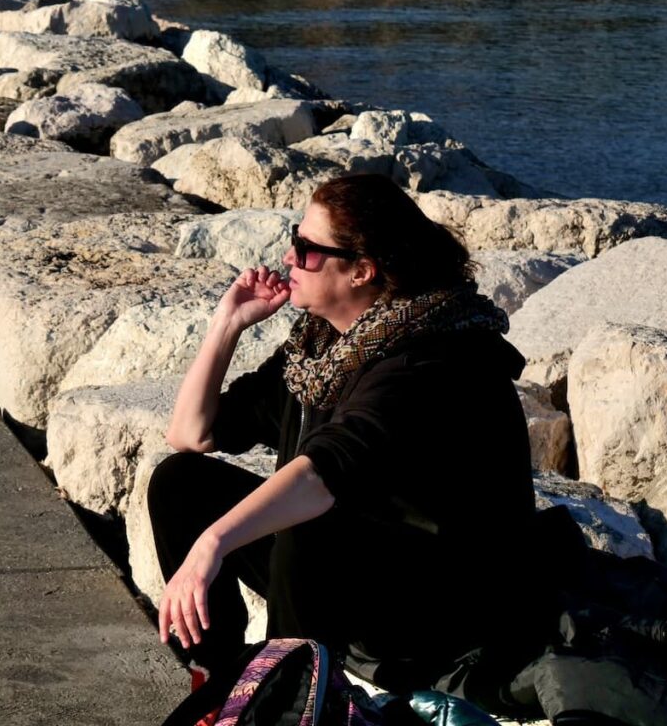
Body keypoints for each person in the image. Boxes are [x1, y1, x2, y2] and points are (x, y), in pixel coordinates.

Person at [149, 173, 537, 688]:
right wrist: (226, 325)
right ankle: (221, 681)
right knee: (181, 482)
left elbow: (323, 476)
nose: (289, 258)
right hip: (353, 571)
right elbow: (191, 435)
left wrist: (214, 544)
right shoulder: (321, 351)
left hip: (444, 602)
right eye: (294, 239)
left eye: (307, 249)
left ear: (361, 271)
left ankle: (286, 702)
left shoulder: (430, 359)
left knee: (309, 521)